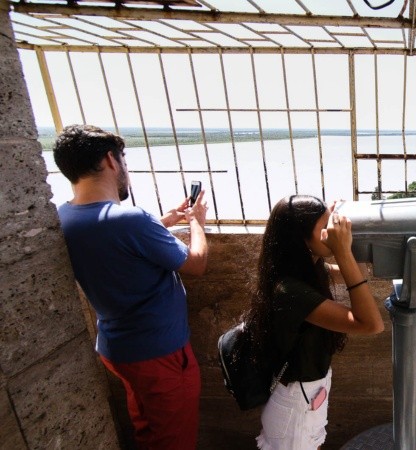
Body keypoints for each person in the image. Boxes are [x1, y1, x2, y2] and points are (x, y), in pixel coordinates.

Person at [53, 124, 209, 450]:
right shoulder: (131, 220)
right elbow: (196, 264)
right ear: (111, 160)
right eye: (124, 159)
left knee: (148, 431)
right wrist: (197, 222)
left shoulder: (64, 217)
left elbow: (108, 235)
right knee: (174, 441)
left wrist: (162, 222)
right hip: (160, 355)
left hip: (119, 350)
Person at [242, 195, 384, 449]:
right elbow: (371, 324)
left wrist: (332, 224)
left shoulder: (308, 268)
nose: (330, 231)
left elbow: (357, 273)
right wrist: (341, 250)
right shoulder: (290, 290)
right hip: (296, 405)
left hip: (310, 395)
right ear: (301, 240)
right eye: (324, 227)